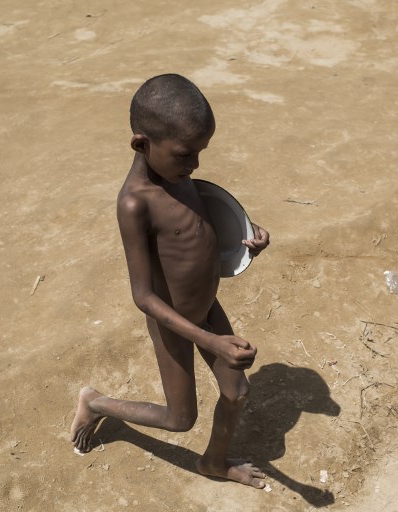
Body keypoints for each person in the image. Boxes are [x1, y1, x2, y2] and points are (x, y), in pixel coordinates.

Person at [70, 74, 270, 488]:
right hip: (173, 322)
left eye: (200, 153)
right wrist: (210, 341)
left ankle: (214, 462)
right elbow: (143, 296)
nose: (195, 165)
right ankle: (96, 402)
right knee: (180, 419)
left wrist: (247, 238)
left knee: (237, 392)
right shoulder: (135, 204)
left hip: (207, 304)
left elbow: (203, 226)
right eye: (185, 154)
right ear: (142, 144)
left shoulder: (180, 179)